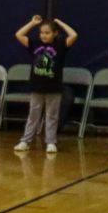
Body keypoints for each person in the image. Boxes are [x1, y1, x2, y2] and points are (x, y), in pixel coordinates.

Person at [13, 13, 77, 154]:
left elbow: (74, 35)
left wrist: (60, 23)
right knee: (33, 115)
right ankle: (25, 140)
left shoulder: (60, 44)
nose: (44, 35)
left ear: (55, 33)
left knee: (52, 116)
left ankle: (51, 142)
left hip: (54, 87)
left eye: (47, 33)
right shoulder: (35, 43)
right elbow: (18, 34)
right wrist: (32, 23)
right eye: (42, 33)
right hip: (37, 86)